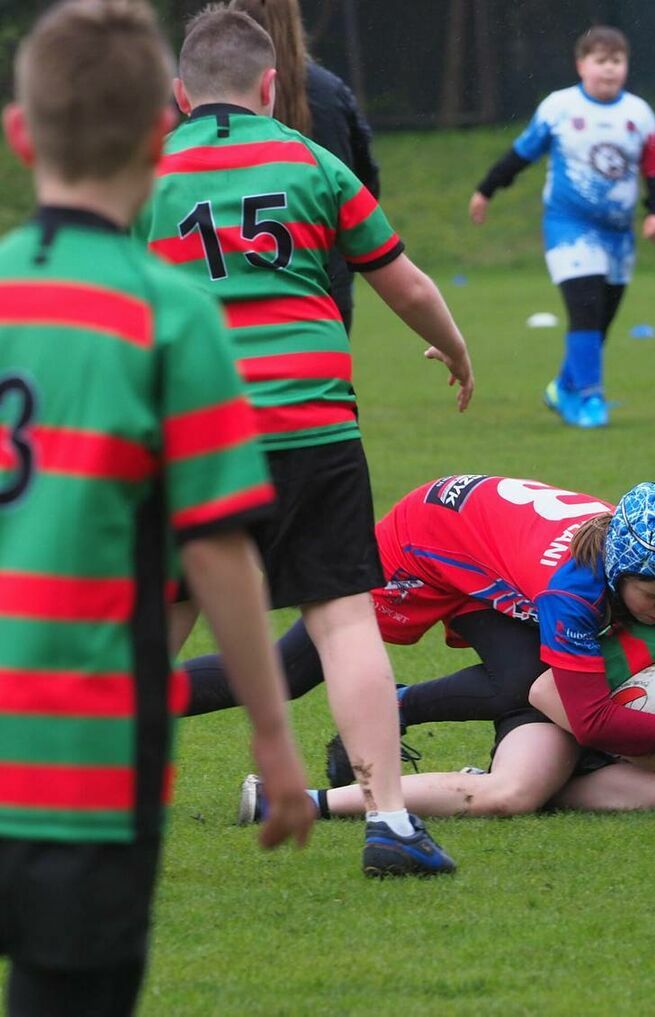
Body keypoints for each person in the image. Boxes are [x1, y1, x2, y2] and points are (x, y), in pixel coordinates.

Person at [0, 3, 312, 1013]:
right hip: (88, 771)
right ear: (159, 134)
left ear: (19, 132)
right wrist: (272, 735)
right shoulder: (171, 316)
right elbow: (218, 552)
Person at [135, 7, 475, 877]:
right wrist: (454, 344)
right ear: (271, 85)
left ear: (179, 94)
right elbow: (403, 280)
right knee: (341, 618)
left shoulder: (145, 178)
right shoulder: (313, 162)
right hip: (311, 425)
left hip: (193, 433)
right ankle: (391, 823)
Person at [239, 523, 655, 824]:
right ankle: (298, 801)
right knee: (510, 795)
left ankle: (538, 781)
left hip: (608, 745)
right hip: (560, 704)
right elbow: (543, 688)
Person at [179, 476, 655, 769]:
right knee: (287, 672)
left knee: (526, 677)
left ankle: (395, 714)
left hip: (483, 538)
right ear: (618, 568)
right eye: (651, 598)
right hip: (424, 542)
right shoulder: (571, 590)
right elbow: (590, 720)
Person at [469, 26, 655, 429]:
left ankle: (564, 387)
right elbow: (521, 153)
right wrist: (486, 190)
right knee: (584, 309)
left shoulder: (639, 115)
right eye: (600, 61)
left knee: (601, 322)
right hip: (569, 227)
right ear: (581, 65)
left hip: (618, 234)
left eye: (617, 61)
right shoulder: (559, 108)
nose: (609, 70)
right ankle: (591, 400)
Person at [230, 0, 382, 334]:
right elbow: (364, 191)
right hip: (324, 289)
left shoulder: (213, 105)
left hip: (233, 288)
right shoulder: (328, 94)